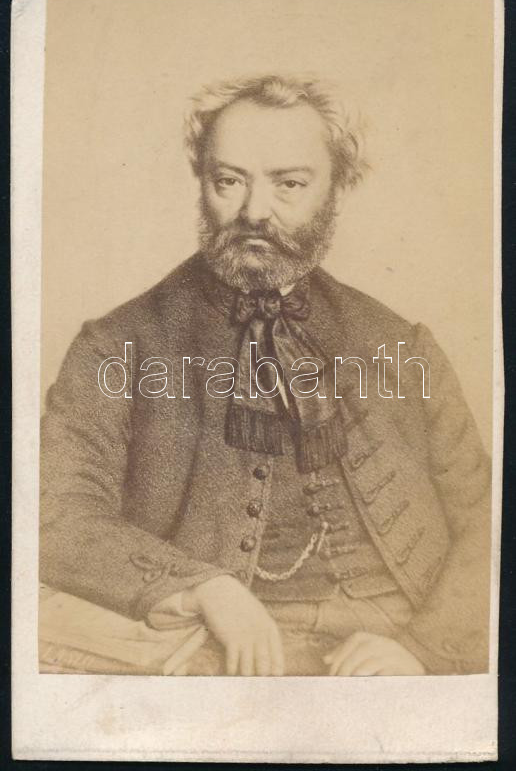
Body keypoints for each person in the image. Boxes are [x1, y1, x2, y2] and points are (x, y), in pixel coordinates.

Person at [40, 74, 491, 676]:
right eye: (228, 181)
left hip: (399, 638)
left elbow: (488, 516)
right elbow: (57, 515)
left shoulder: (399, 342)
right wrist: (203, 588)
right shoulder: (117, 345)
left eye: (289, 184)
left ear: (337, 188)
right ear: (202, 181)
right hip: (219, 646)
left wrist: (423, 650)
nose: (254, 212)